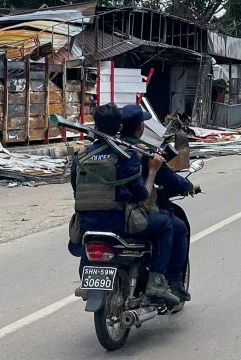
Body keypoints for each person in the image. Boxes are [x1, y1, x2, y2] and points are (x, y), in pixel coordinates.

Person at [69, 103, 180, 305]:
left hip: (85, 225)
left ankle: (87, 279)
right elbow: (141, 196)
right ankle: (157, 280)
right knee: (167, 223)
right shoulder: (126, 156)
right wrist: (153, 171)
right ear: (119, 127)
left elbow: (77, 192)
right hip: (121, 224)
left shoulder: (82, 157)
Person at [120, 104, 195, 302]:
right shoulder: (144, 154)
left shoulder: (103, 151)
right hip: (131, 216)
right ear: (140, 128)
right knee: (173, 225)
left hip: (97, 218)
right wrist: (188, 186)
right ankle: (168, 281)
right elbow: (169, 180)